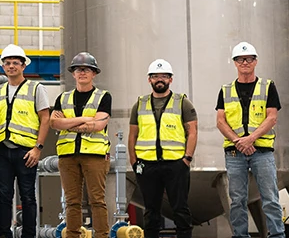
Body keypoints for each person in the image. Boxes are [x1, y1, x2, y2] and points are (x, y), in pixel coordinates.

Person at [216, 42, 283, 238]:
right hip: (235, 152)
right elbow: (220, 122)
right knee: (237, 200)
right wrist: (239, 141)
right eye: (240, 59)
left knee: (270, 198)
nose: (245, 62)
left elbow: (272, 117)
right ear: (235, 63)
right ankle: (240, 236)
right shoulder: (226, 90)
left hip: (261, 151)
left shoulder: (268, 86)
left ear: (256, 62)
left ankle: (277, 236)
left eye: (249, 59)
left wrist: (251, 139)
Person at [128, 59, 197, 238]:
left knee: (180, 210)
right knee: (151, 211)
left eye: (164, 76)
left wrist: (187, 159)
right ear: (149, 79)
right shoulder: (140, 104)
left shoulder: (182, 102)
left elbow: (192, 131)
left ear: (170, 80)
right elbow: (132, 135)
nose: (160, 79)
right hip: (147, 165)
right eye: (156, 76)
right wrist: (134, 161)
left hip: (176, 165)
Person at [50, 52, 112, 238]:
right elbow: (54, 123)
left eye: (86, 69)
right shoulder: (63, 98)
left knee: (97, 200)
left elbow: (99, 125)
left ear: (94, 73)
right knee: (72, 202)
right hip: (68, 155)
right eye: (78, 69)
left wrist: (68, 123)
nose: (82, 73)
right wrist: (85, 120)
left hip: (94, 155)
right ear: (73, 74)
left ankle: (101, 235)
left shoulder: (103, 97)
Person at [0, 44, 50, 238]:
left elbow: (45, 118)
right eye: (7, 63)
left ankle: (28, 235)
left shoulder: (36, 89)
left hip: (26, 151)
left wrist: (38, 148)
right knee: (4, 196)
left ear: (23, 65)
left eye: (15, 63)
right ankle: (3, 235)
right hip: (1, 151)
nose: (11, 66)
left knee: (27, 196)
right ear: (3, 67)